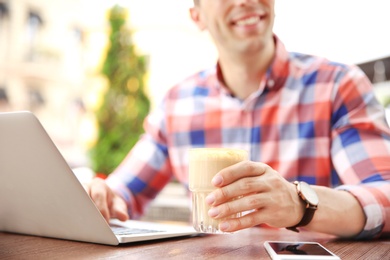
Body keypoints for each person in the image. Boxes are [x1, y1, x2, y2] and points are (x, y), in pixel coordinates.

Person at [84, 0, 390, 239]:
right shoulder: (177, 104)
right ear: (197, 17)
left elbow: (385, 194)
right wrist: (99, 195)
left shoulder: (338, 85)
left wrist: (300, 204)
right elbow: (122, 194)